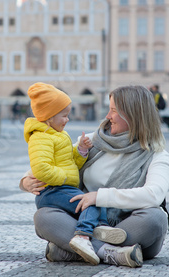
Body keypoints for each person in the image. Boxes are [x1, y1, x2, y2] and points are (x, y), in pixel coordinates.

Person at [20, 85, 169, 268]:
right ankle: (111, 252)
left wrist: (99, 197)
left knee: (155, 218)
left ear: (134, 115)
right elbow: (51, 164)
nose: (108, 116)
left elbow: (154, 194)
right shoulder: (91, 142)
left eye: (114, 111)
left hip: (127, 225)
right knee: (44, 217)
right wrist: (25, 182)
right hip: (86, 221)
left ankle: (74, 250)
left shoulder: (156, 154)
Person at [24, 82, 127, 265]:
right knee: (89, 202)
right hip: (53, 190)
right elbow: (40, 169)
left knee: (96, 200)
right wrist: (63, 177)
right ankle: (82, 236)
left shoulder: (58, 134)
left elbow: (70, 162)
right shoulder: (40, 137)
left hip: (61, 187)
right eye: (64, 116)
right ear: (49, 116)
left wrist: (80, 151)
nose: (68, 120)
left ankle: (102, 229)